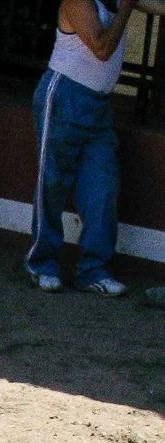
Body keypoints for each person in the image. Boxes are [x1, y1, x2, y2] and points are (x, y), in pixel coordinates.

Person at [25, 0, 165, 295]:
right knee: (52, 182)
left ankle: (92, 271)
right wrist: (127, 7)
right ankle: (42, 263)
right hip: (64, 97)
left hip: (98, 106)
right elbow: (101, 49)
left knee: (103, 187)